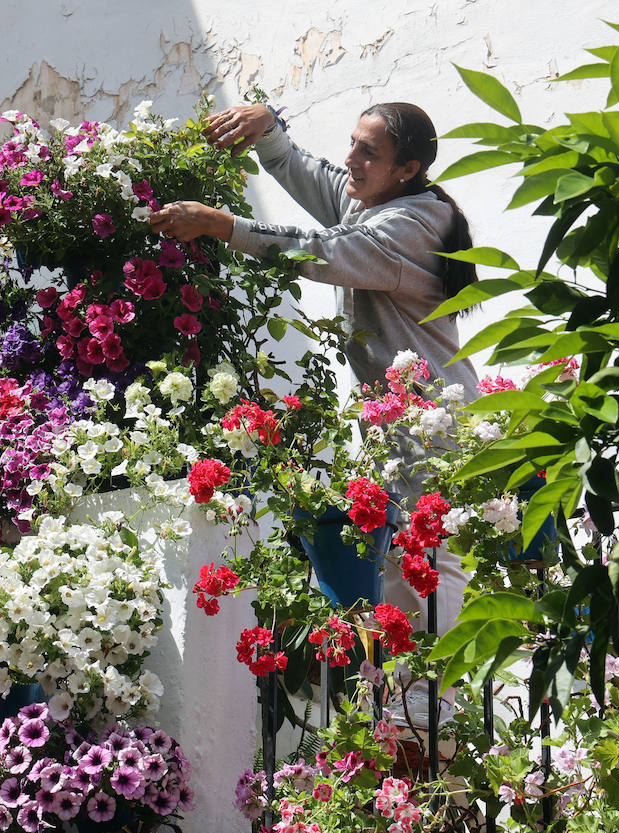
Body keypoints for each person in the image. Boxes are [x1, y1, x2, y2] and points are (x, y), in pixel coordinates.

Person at [150, 101, 479, 732]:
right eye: (353, 143)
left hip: (431, 418)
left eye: (368, 152)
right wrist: (269, 133)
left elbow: (320, 250)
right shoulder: (377, 200)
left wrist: (222, 225)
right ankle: (410, 698)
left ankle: (434, 698)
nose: (351, 160)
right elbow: (317, 178)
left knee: (431, 556)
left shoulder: (411, 226)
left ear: (407, 169)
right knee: (397, 555)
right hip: (397, 419)